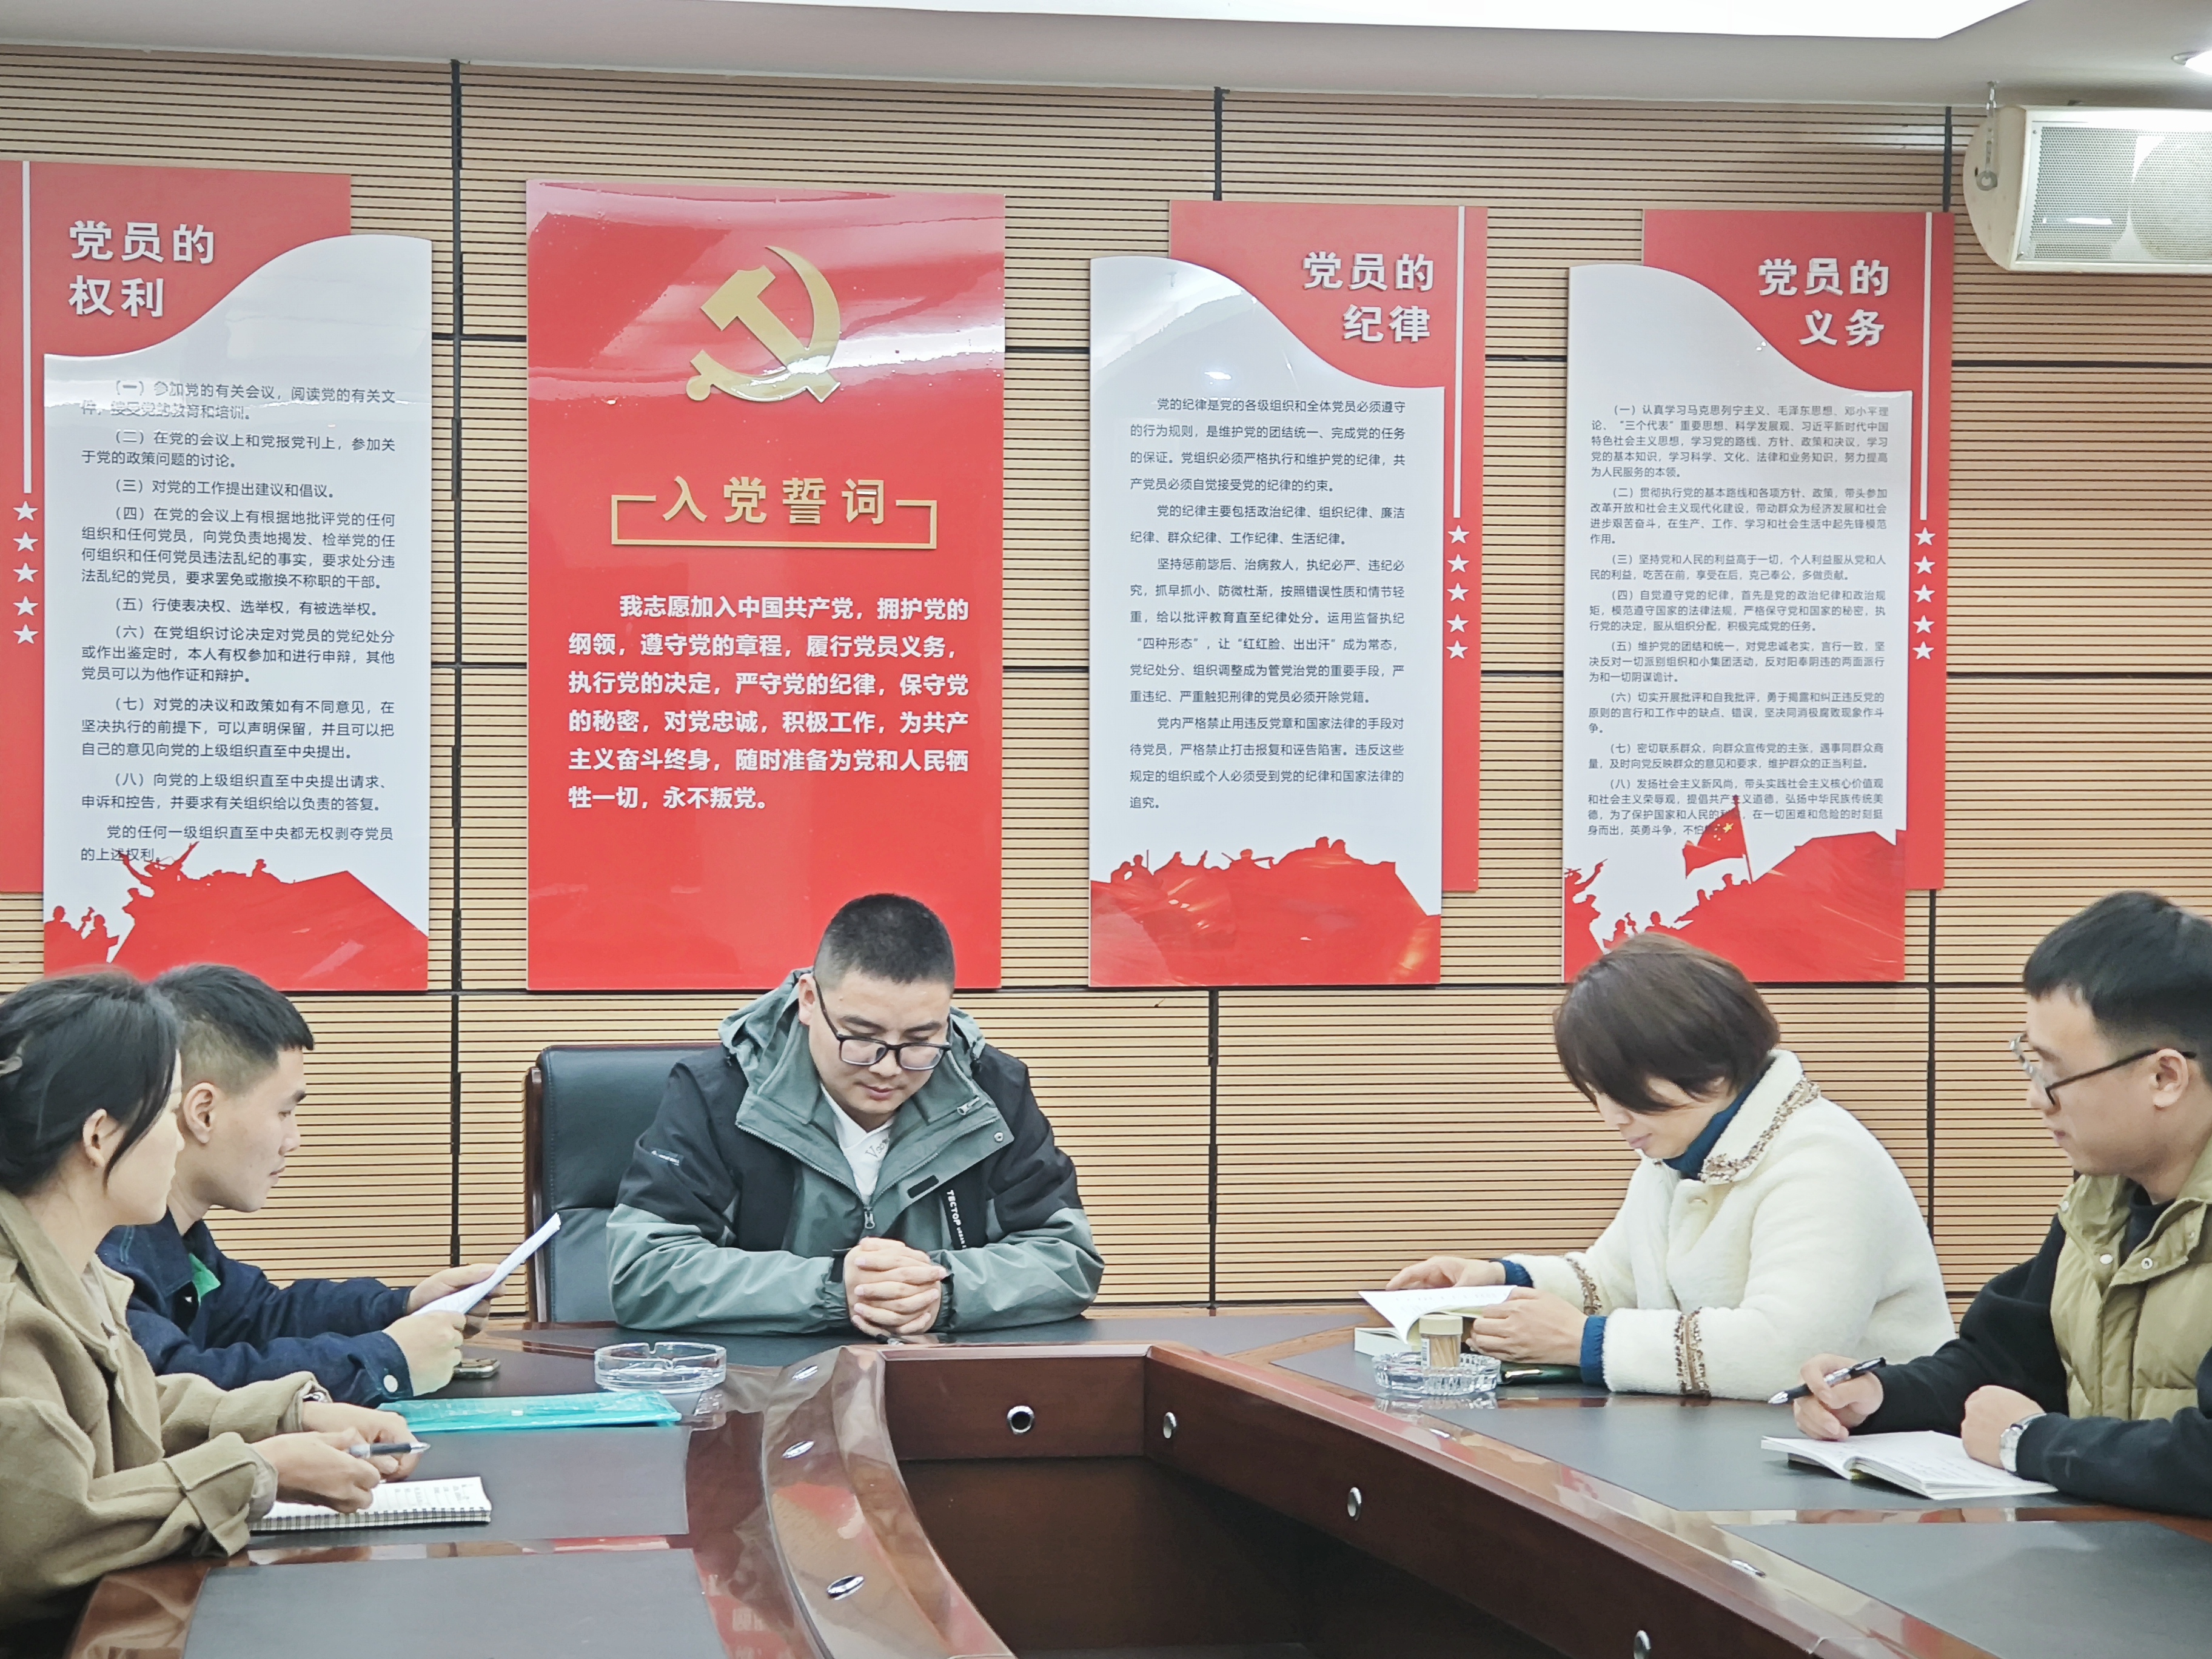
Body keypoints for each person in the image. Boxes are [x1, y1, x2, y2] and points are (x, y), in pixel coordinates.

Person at [0, 971, 421, 1643]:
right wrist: (259, 1471)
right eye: (167, 1114)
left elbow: (131, 1407)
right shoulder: (12, 1314)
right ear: (100, 1136)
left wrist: (290, 1415)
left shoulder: (77, 1270)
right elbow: (45, 1539)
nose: (178, 1140)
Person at [1791, 891, 2212, 1516]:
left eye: (2054, 1073)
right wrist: (1880, 1395)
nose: (2035, 1099)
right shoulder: (2102, 1197)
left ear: (2165, 1077)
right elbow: (2006, 1360)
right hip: (2123, 1552)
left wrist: (2027, 1442)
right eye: (2029, 1064)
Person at [1390, 933, 1953, 1398]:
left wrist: (1585, 1342)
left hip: (1870, 1456)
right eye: (1597, 1093)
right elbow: (1615, 1280)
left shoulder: (1823, 1160)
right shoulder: (1682, 1150)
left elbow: (1788, 1353)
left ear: (1704, 1063)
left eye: (1623, 1092)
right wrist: (1500, 1282)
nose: (1611, 1118)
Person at [609, 893, 1102, 1335]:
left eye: (919, 1041)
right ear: (809, 1001)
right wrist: (832, 1288)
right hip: (762, 1387)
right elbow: (645, 1271)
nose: (888, 1069)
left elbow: (1066, 1258)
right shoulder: (719, 1094)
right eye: (862, 1038)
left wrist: (943, 1289)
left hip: (938, 1382)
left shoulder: (990, 1092)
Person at [97, 965, 495, 1406]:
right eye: (284, 1112)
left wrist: (402, 1306)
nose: (294, 1140)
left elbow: (261, 1316)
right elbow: (171, 1387)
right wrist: (386, 1359)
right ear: (203, 1113)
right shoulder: (109, 1248)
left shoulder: (174, 1235)